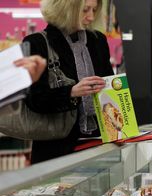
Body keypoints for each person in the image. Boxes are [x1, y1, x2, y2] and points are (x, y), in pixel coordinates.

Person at [23, 0, 114, 164]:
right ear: (65, 9)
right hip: (55, 149)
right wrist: (71, 92)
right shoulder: (35, 43)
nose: (91, 17)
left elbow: (108, 85)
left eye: (94, 10)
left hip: (99, 144)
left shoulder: (98, 40)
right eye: (85, 10)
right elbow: (34, 100)